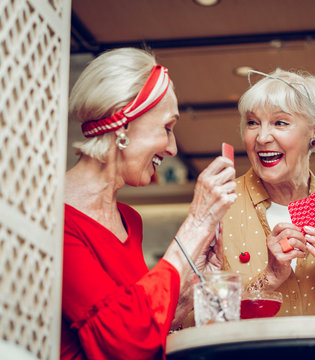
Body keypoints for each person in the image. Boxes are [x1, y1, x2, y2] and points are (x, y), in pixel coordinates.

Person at [62, 48, 236, 359]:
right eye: (167, 128)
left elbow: (147, 326)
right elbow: (123, 343)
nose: (171, 148)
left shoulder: (129, 219)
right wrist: (196, 225)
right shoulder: (55, 219)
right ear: (123, 125)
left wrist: (194, 282)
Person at [220, 69, 315, 316]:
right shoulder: (218, 207)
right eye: (252, 122)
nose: (261, 137)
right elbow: (190, 320)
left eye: (280, 122)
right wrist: (268, 279)